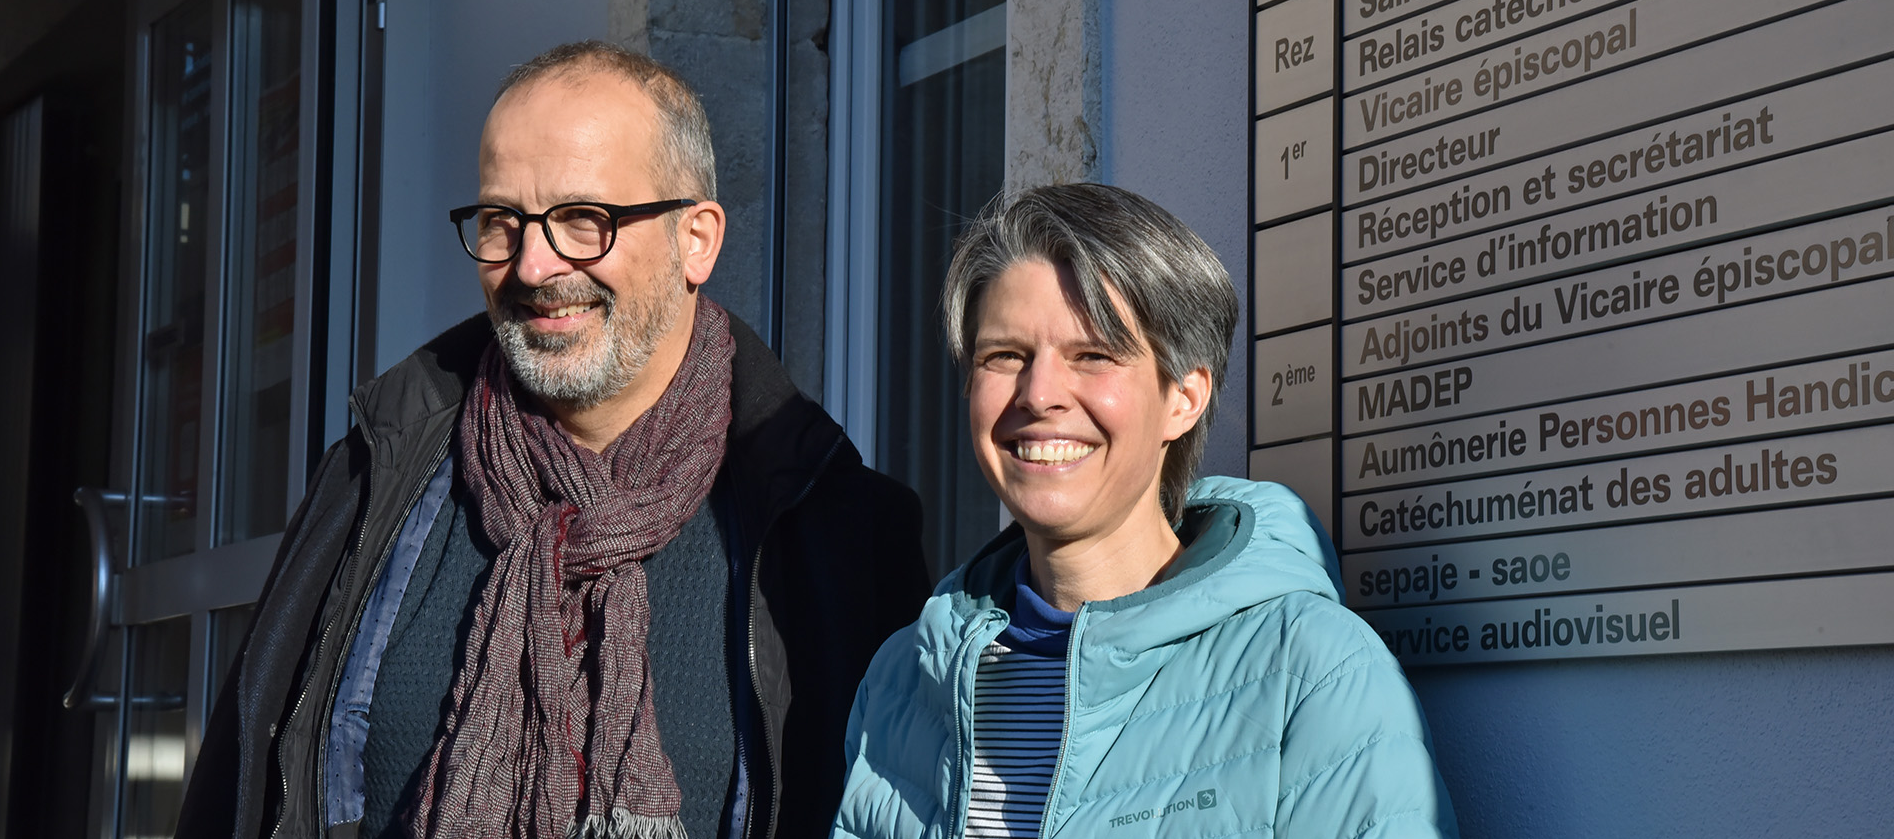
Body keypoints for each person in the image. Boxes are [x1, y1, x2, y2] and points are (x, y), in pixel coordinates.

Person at [177, 41, 929, 839]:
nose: (534, 266)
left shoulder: (835, 527)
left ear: (698, 239)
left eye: (584, 220)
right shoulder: (378, 476)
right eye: (503, 222)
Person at [831, 183, 1458, 838]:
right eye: (1005, 356)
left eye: (1093, 355)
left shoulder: (1309, 673)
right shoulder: (903, 683)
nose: (1039, 394)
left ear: (1183, 399)